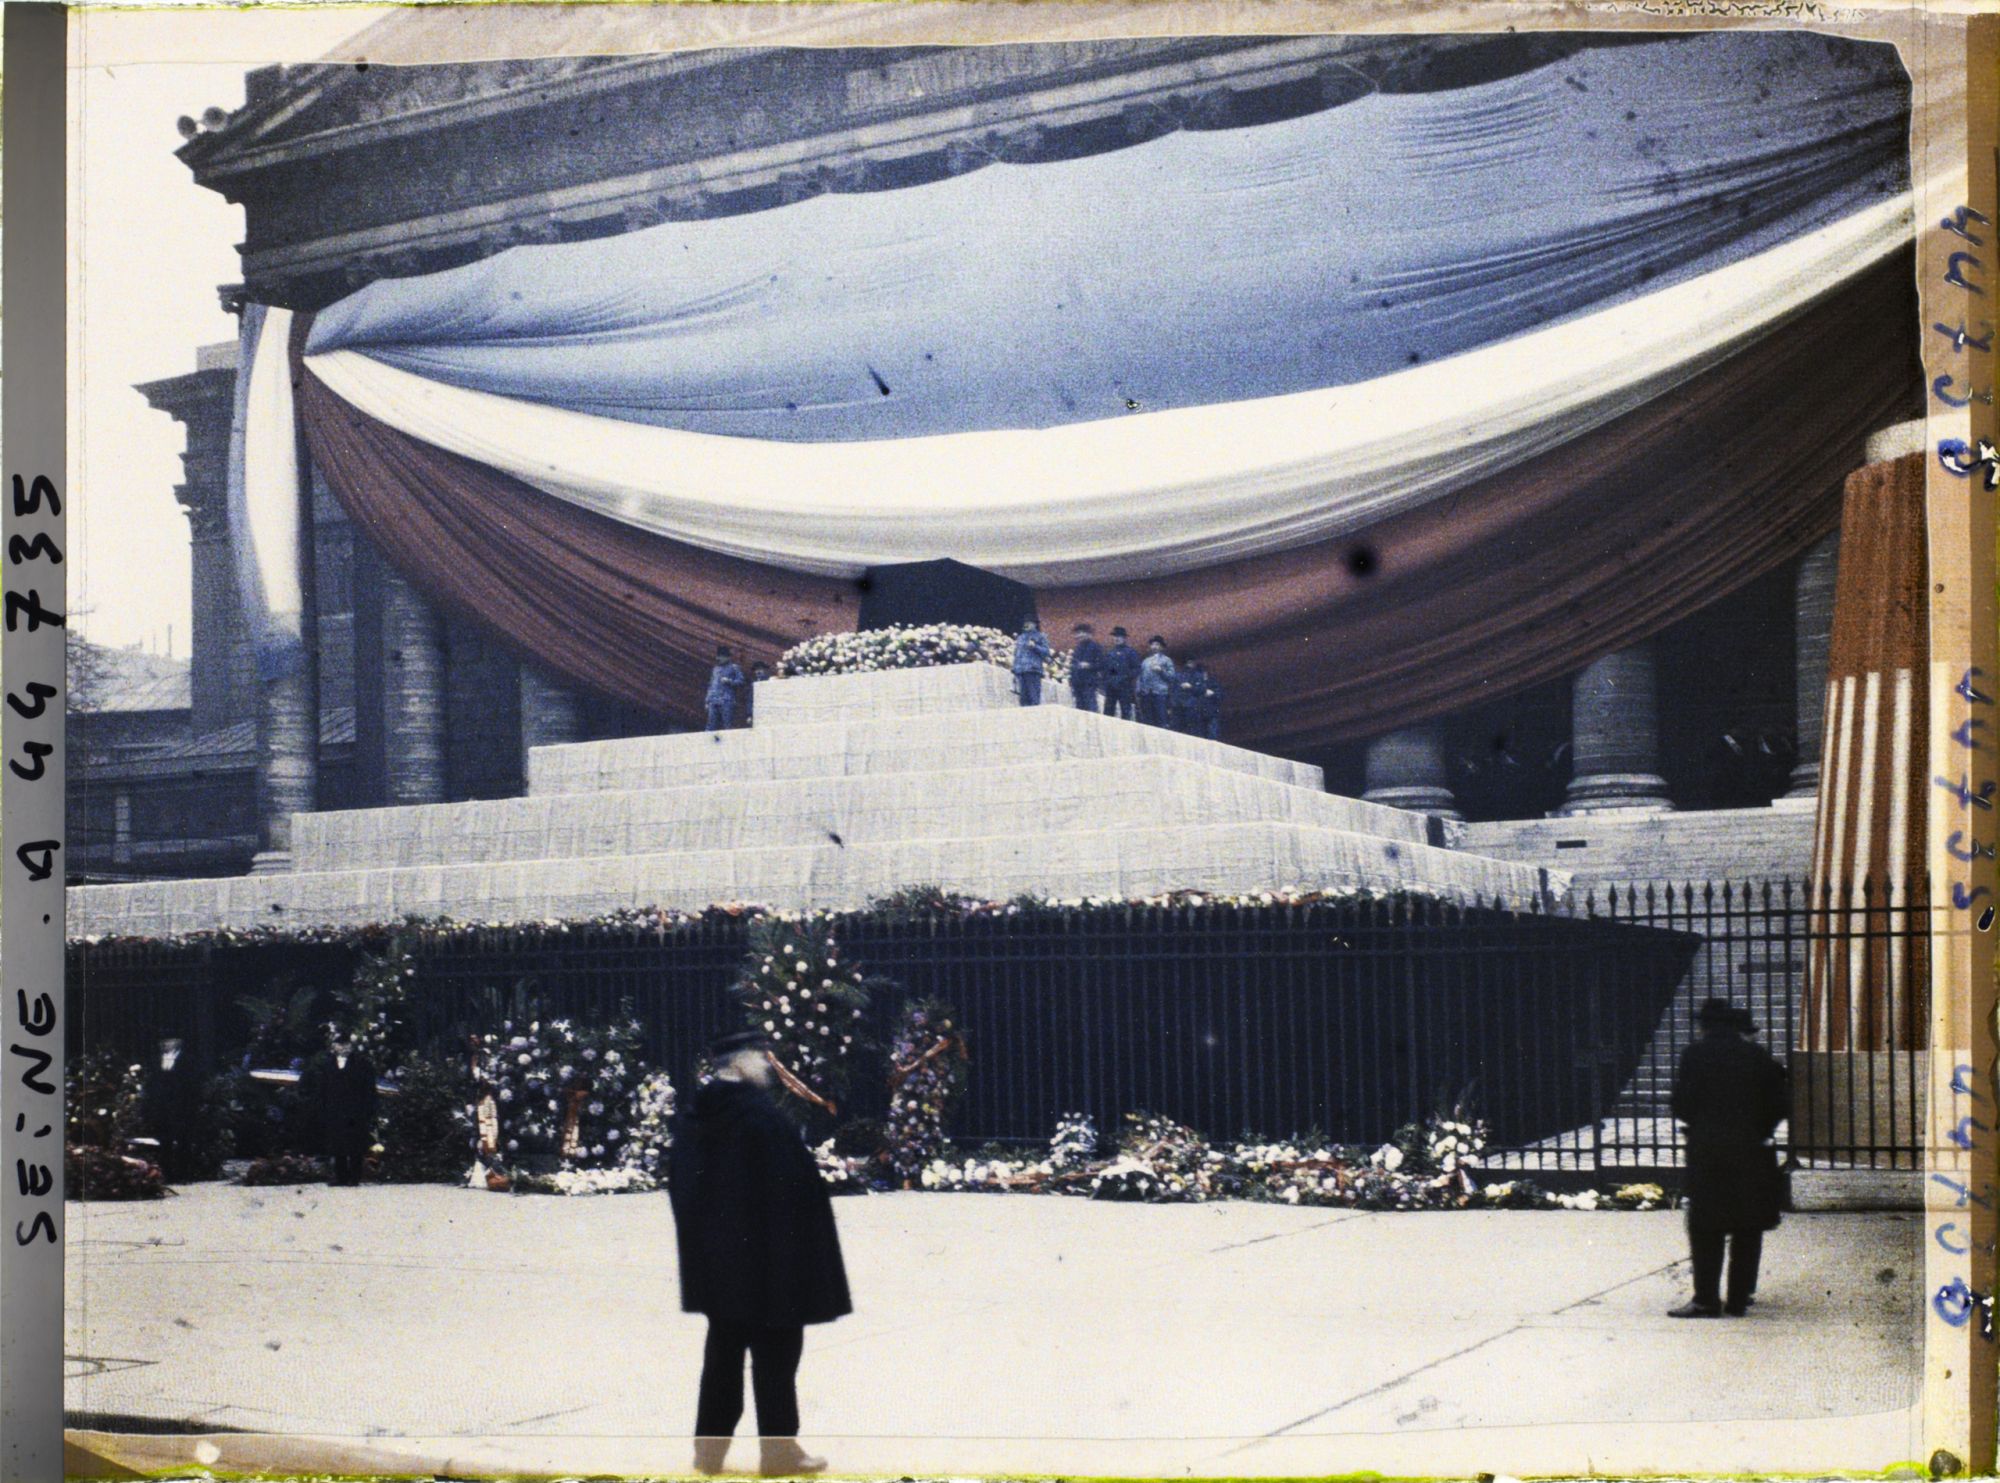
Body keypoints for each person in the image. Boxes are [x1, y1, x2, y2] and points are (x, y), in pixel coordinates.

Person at [670, 1030, 851, 1476]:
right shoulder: (757, 1118)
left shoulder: (701, 1113)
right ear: (739, 1062)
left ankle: (708, 1453)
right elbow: (788, 1195)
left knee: (723, 1355)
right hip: (769, 1267)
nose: (768, 1065)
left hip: (721, 1267)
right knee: (776, 1357)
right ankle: (779, 1451)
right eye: (760, 1056)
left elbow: (685, 1186)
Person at [1668, 998, 1788, 1318]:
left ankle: (1706, 1299)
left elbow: (1681, 1103)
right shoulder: (1758, 1057)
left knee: (1706, 1226)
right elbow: (1781, 1102)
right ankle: (1739, 1297)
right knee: (1748, 1226)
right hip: (1752, 1150)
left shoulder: (1695, 1054)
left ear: (1705, 1025)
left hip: (1708, 1150)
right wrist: (1760, 1129)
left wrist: (1701, 1123)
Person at [305, 1034, 379, 1186]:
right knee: (337, 1145)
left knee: (355, 1145)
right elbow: (322, 1088)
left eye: (346, 1045)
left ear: (351, 1047)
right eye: (339, 1045)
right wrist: (321, 1107)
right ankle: (340, 1177)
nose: (342, 1048)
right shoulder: (327, 1064)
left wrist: (368, 1109)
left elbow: (369, 1088)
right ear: (334, 1046)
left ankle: (355, 1177)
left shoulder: (362, 1064)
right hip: (334, 1110)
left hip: (355, 1110)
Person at [140, 1036, 200, 1182]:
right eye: (164, 1041)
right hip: (162, 1107)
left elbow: (193, 1084)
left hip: (181, 1107)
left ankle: (184, 1175)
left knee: (183, 1141)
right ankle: (166, 1173)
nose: (166, 1044)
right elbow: (152, 1082)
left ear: (178, 1043)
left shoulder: (188, 1060)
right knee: (164, 1141)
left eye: (169, 1041)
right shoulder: (156, 1060)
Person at [1100, 627, 1141, 721]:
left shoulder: (1130, 652)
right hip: (1111, 686)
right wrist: (1108, 680)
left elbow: (1137, 669)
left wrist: (1125, 677)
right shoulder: (1110, 653)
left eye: (1119, 636)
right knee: (1108, 711)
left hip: (1125, 686)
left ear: (1124, 638)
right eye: (1115, 636)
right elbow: (1106, 669)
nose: (1116, 638)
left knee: (1126, 711)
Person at [1011, 617, 1052, 707]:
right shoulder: (1021, 638)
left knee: (1033, 696)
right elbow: (1017, 654)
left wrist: (1035, 646)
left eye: (1029, 622)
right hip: (1021, 670)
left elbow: (1046, 652)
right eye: (1025, 622)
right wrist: (1014, 669)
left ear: (1034, 624)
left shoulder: (1040, 636)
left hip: (1033, 669)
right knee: (1023, 698)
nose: (1026, 624)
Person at [1137, 635, 1176, 728]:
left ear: (1161, 647)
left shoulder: (1166, 660)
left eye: (1157, 644)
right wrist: (1139, 690)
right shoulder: (1145, 661)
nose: (1154, 646)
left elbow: (1172, 677)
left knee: (1161, 718)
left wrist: (1161, 670)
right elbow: (1140, 676)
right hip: (1146, 693)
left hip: (1160, 693)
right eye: (1153, 644)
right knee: (1147, 719)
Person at [706, 647, 747, 732]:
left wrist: (730, 681)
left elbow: (741, 681)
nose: (718, 659)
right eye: (718, 656)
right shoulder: (715, 669)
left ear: (727, 657)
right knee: (711, 724)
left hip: (727, 700)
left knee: (727, 724)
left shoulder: (734, 667)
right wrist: (707, 700)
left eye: (721, 657)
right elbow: (711, 685)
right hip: (714, 700)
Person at [1068, 623, 1105, 714]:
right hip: (1078, 683)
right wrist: (1071, 680)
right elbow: (1073, 665)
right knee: (1080, 707)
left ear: (1088, 634)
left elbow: (1102, 664)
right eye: (1077, 633)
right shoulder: (1077, 648)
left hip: (1089, 682)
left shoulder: (1096, 647)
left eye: (1081, 633)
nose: (1078, 636)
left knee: (1090, 705)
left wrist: (1089, 665)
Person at [1168, 657, 1202, 733]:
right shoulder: (1178, 675)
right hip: (1178, 704)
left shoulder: (1198, 676)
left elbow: (1201, 690)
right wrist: (1171, 705)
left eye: (1192, 663)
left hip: (1191, 705)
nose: (1190, 665)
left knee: (1191, 727)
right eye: (1188, 663)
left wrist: (1191, 687)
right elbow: (1172, 690)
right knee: (1177, 727)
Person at [1192, 661, 1224, 741]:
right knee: (1200, 730)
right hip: (1199, 710)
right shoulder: (1195, 684)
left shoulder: (1213, 682)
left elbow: (1220, 694)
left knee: (1212, 728)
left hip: (1211, 709)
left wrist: (1213, 693)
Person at [744, 662, 772, 729]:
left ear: (764, 670)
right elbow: (750, 700)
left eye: (760, 669)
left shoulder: (770, 682)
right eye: (756, 670)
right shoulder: (752, 684)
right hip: (756, 713)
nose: (758, 672)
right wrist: (749, 715)